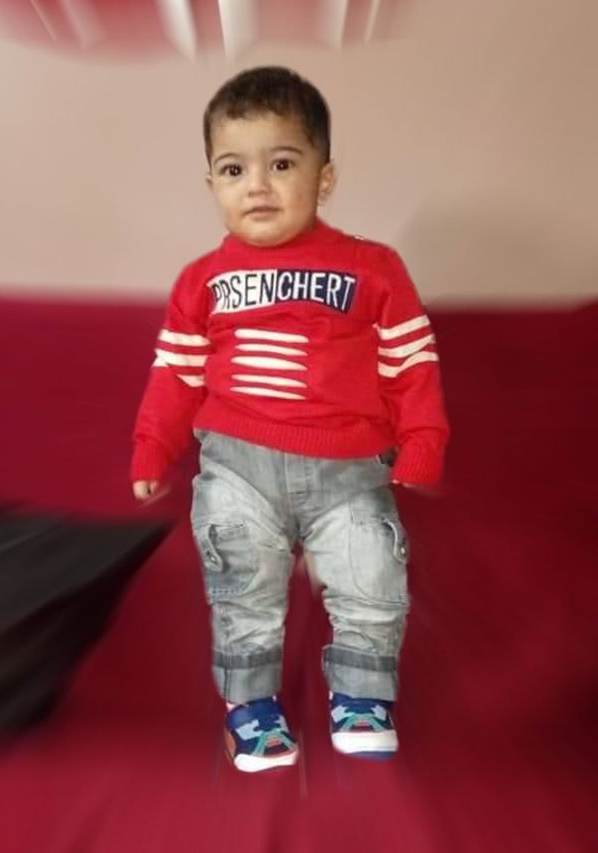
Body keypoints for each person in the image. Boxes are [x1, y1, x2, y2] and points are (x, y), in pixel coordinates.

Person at [131, 66, 449, 773]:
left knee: (371, 572)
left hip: (349, 469)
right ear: (212, 185)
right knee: (243, 584)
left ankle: (361, 697)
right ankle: (251, 708)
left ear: (324, 178)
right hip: (237, 466)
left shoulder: (373, 269)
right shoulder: (201, 281)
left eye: (281, 164)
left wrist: (423, 442)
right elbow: (177, 372)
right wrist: (152, 447)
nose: (258, 186)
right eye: (233, 169)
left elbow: (411, 362)